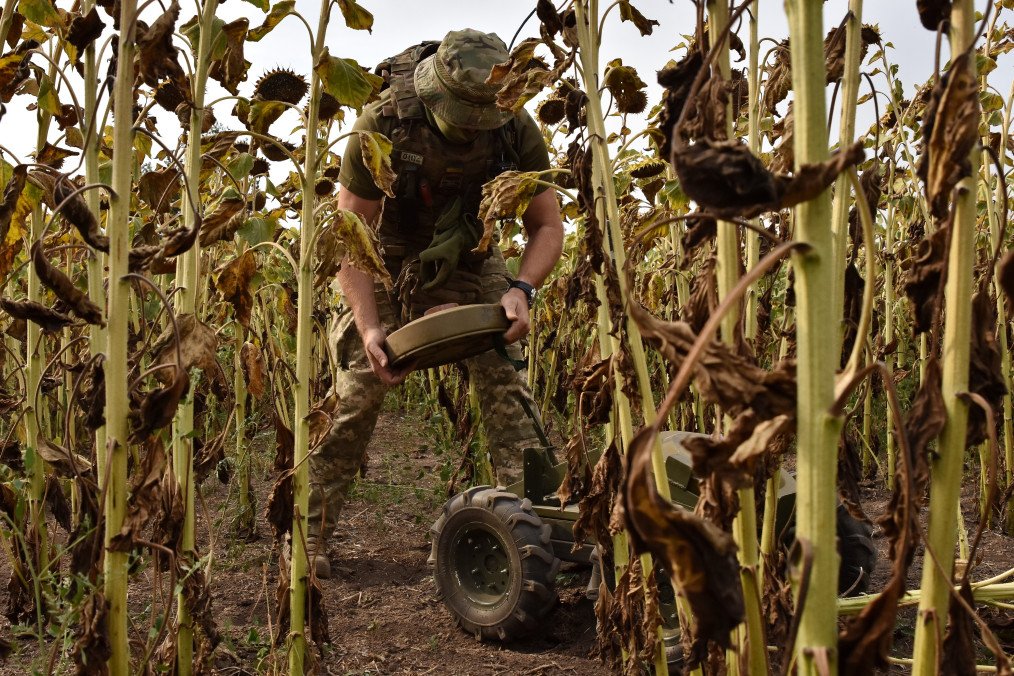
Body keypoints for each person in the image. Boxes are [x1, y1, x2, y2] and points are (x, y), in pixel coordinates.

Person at [306, 29, 565, 579]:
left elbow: (546, 224)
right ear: (432, 95)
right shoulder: (381, 125)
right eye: (461, 114)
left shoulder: (515, 125)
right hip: (386, 258)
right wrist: (371, 327)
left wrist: (521, 290)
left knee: (507, 386)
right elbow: (352, 241)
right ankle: (308, 532)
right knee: (355, 390)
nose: (473, 126)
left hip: (471, 256)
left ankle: (535, 528)